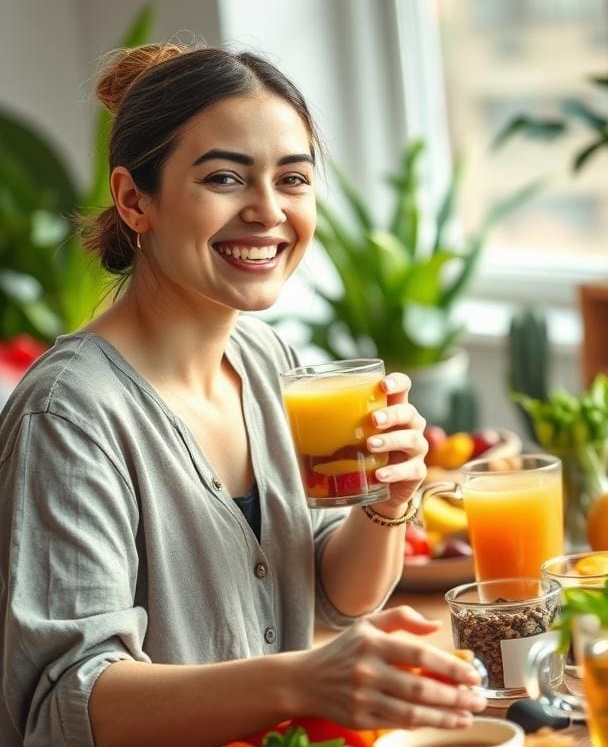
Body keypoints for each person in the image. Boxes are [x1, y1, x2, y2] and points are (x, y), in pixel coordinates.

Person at [0, 43, 485, 747]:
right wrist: (301, 679)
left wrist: (387, 503)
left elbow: (333, 593)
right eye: (226, 178)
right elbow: (68, 702)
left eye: (293, 179)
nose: (268, 211)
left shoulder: (270, 363)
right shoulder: (71, 417)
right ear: (135, 199)